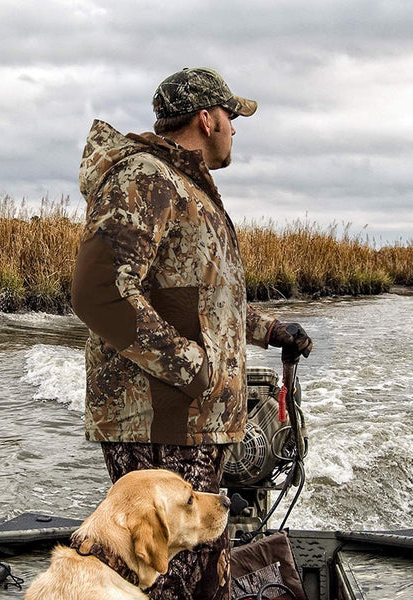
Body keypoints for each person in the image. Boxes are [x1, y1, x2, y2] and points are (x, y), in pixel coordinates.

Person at [71, 67, 312, 600]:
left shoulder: (189, 189)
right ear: (206, 119)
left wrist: (271, 330)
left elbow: (207, 304)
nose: (235, 129)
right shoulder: (146, 177)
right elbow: (98, 290)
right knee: (167, 579)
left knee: (205, 573)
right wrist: (193, 368)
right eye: (231, 117)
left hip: (194, 421)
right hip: (162, 420)